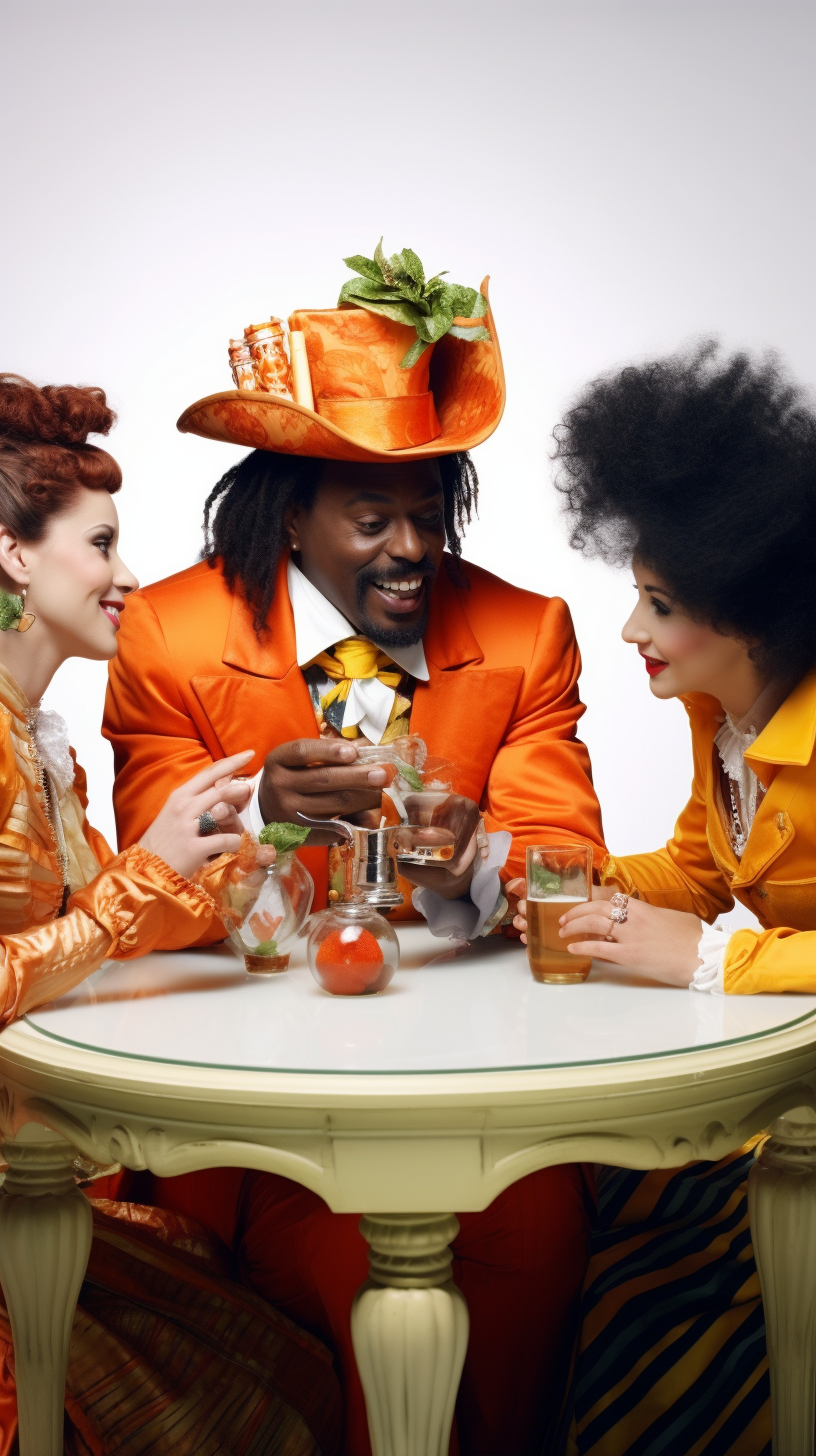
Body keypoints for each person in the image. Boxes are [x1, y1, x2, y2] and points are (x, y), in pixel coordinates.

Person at [103, 274, 606, 1455]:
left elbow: (568, 861)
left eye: (430, 513)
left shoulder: (528, 633)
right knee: (331, 1303)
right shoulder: (169, 635)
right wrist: (257, 813)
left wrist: (466, 866)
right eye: (373, 519)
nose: (414, 549)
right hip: (263, 1116)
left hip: (481, 1101)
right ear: (290, 517)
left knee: (529, 1261)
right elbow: (144, 892)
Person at [0, 375, 342, 1456]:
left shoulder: (36, 744)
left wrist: (271, 828)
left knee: (284, 1366)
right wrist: (134, 885)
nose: (129, 576)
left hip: (52, 1163)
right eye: (101, 544)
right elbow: (101, 919)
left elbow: (130, 917)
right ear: (14, 556)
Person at [511, 341, 816, 1453]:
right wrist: (533, 872)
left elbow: (706, 926)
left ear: (754, 611)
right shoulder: (722, 716)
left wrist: (710, 961)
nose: (632, 631)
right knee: (602, 1186)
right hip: (781, 1072)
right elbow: (696, 867)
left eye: (660, 603)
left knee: (658, 1250)